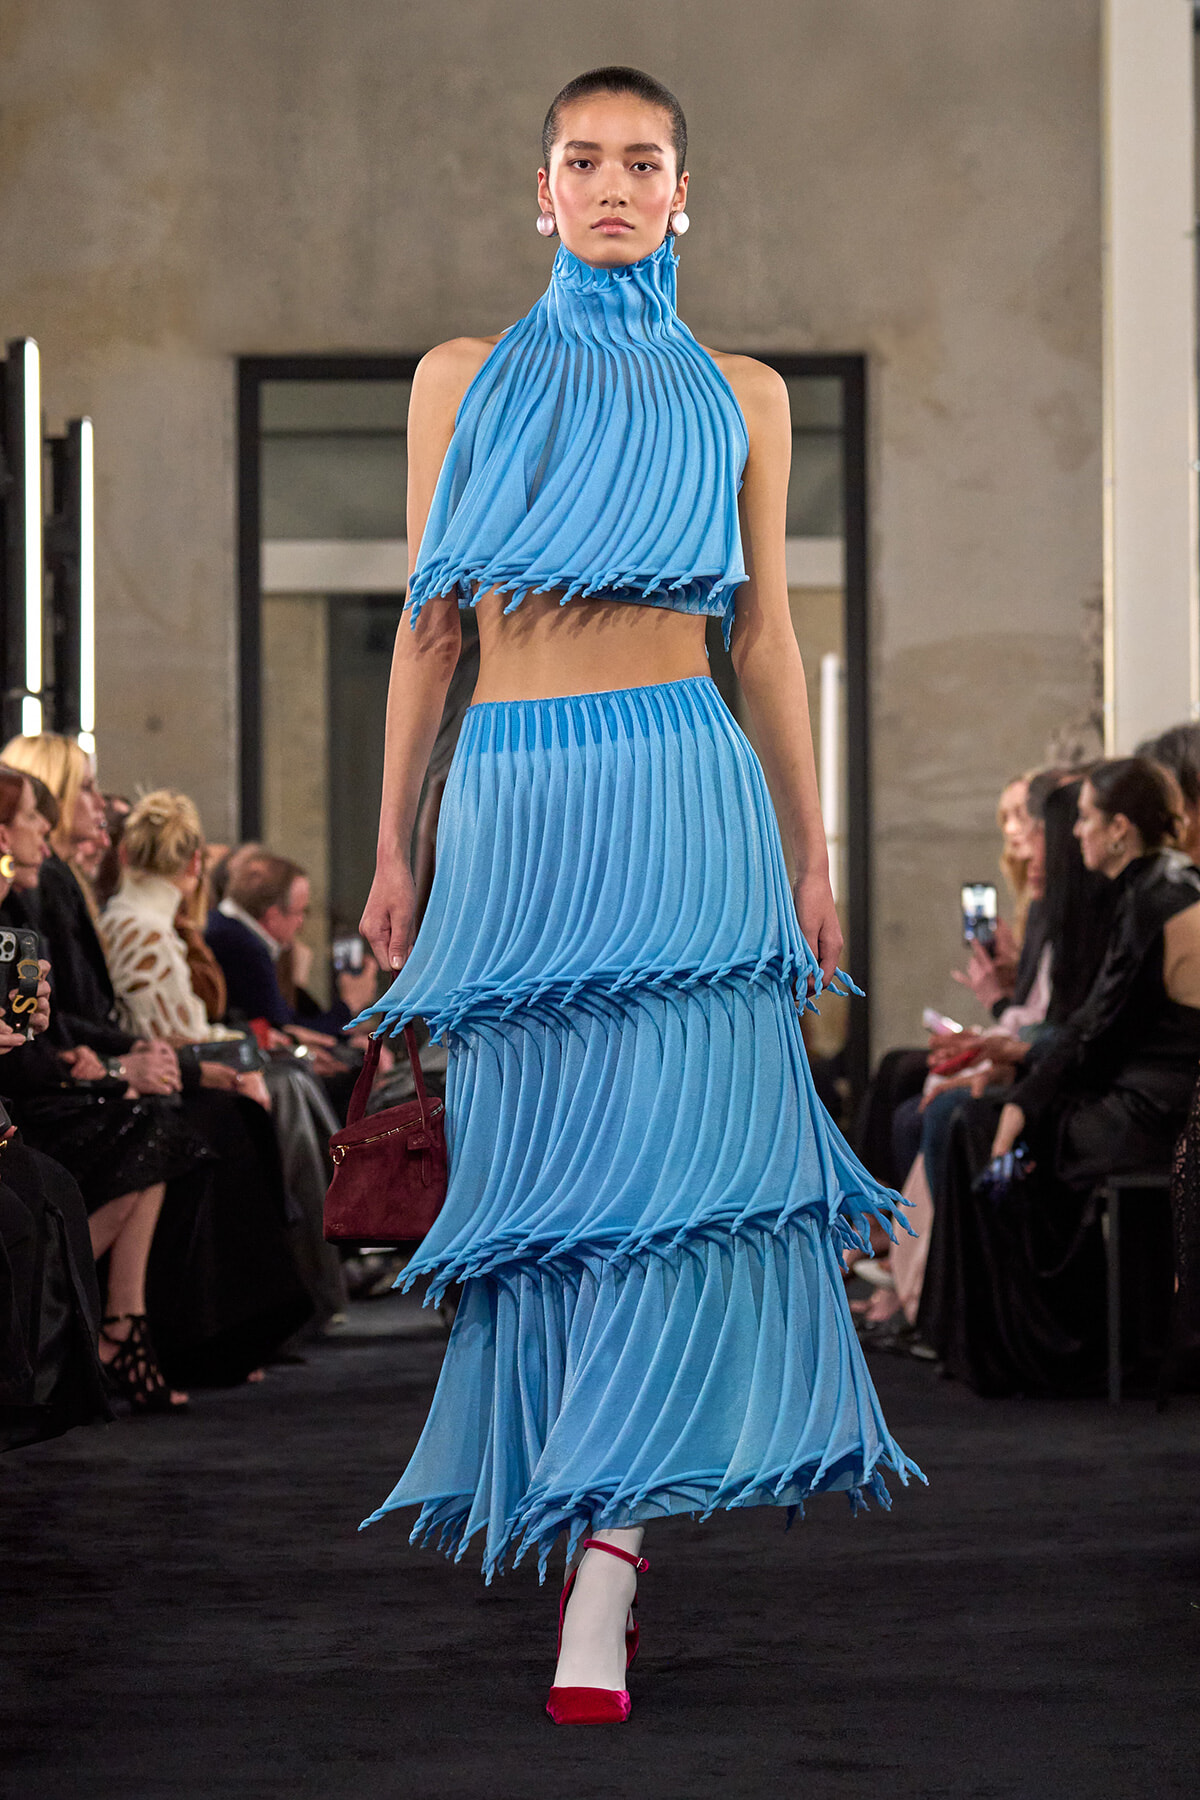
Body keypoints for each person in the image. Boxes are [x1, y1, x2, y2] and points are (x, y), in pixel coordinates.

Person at [352, 67, 922, 1726]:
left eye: (644, 163)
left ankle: (605, 1566)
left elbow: (770, 640)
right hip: (518, 803)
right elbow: (431, 627)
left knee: (667, 1182)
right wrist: (397, 846)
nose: (613, 186)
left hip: (687, 789)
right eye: (584, 162)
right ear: (541, 191)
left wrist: (815, 854)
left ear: (687, 195)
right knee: (550, 1188)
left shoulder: (744, 394)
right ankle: (589, 1511)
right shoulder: (457, 380)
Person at [922, 759, 1200, 1395]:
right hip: (1162, 1103)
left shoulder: (1152, 899)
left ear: (1121, 829)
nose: (1075, 834)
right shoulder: (1167, 885)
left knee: (983, 1126)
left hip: (1157, 1117)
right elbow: (1097, 1031)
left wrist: (1024, 1103)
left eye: (1084, 820)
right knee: (991, 1120)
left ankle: (1037, 1350)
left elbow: (1096, 1033)